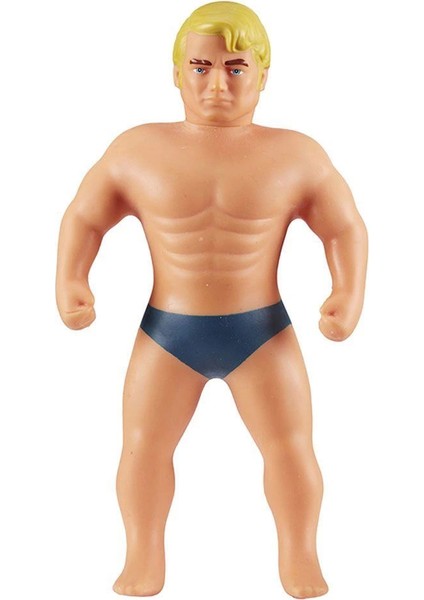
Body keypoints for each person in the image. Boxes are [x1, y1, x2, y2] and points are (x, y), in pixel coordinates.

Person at [56, 2, 367, 597]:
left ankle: (300, 555)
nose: (217, 85)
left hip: (263, 333)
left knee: (290, 448)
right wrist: (72, 280)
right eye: (200, 67)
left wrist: (347, 293)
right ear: (175, 73)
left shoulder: (296, 154)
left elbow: (344, 227)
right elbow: (85, 217)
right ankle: (142, 556)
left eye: (235, 67)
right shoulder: (137, 149)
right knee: (144, 448)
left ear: (264, 75)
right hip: (168, 334)